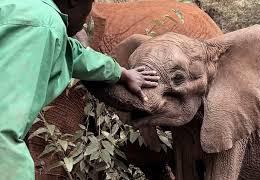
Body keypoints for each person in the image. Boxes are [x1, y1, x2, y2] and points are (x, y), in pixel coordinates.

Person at [0, 0, 159, 179]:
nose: (86, 20)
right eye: (89, 6)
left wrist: (121, 73)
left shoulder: (23, 7)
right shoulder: (45, 25)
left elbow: (72, 53)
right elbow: (4, 128)